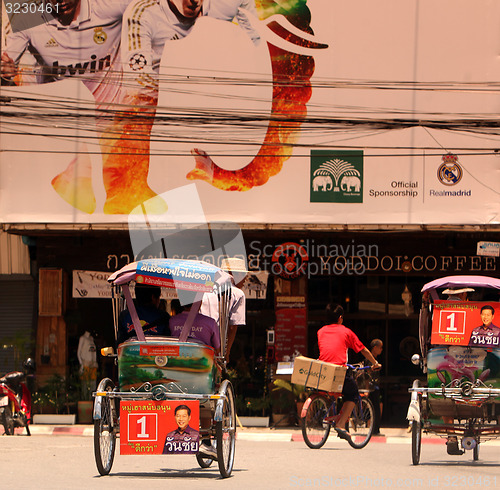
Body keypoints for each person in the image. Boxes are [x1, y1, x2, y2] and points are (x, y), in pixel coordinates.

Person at [1, 0, 165, 215]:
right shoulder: (25, 14)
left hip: (113, 118)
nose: (60, 2)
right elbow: (6, 69)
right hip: (64, 124)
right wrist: (5, 72)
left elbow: (159, 7)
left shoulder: (108, 6)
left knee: (125, 195)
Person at [317, 303, 381, 442]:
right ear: (340, 318)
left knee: (336, 392)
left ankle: (335, 415)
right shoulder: (346, 332)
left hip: (323, 371)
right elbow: (363, 349)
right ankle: (340, 424)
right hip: (339, 371)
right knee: (352, 393)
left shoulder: (320, 331)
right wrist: (375, 363)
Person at [441, 287, 474, 454]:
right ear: (462, 294)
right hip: (468, 357)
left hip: (442, 357)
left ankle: (452, 435)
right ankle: (470, 426)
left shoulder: (439, 309)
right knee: (471, 391)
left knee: (445, 395)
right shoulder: (469, 310)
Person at [199, 257, 248, 360]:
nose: (246, 278)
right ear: (233, 274)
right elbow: (232, 327)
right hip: (217, 343)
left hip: (198, 337)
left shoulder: (206, 287)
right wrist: (227, 351)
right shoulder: (238, 294)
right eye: (243, 274)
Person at [365, 338, 383, 435]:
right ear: (375, 348)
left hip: (375, 387)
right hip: (371, 387)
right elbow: (367, 376)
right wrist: (367, 389)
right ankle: (373, 428)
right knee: (373, 408)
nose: (381, 350)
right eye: (380, 347)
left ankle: (376, 428)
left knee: (377, 407)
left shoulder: (375, 359)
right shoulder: (369, 359)